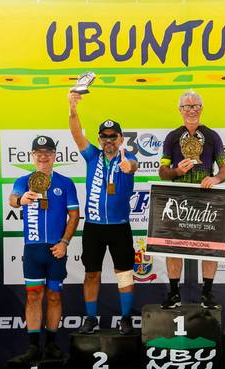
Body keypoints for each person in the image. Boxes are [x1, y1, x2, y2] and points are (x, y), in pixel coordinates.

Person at [68, 91, 138, 335]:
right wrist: (73, 110)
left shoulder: (128, 157)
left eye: (113, 136)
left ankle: (126, 318)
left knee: (124, 274)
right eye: (104, 136)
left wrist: (128, 166)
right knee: (91, 273)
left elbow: (133, 166)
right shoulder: (92, 156)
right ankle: (90, 318)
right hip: (94, 227)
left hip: (120, 226)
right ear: (99, 138)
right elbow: (77, 135)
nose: (109, 140)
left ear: (121, 139)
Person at [8, 135, 79, 364]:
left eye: (47, 152)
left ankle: (50, 344)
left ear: (55, 156)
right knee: (33, 295)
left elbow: (74, 215)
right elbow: (12, 199)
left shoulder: (65, 183)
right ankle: (33, 346)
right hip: (33, 250)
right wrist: (21, 200)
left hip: (56, 250)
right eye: (38, 152)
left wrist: (64, 242)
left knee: (54, 296)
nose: (43, 156)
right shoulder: (24, 180)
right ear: (32, 156)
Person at [158, 90, 225, 309]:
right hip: (178, 200)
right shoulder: (172, 137)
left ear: (201, 108)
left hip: (205, 199)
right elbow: (162, 172)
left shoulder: (212, 136)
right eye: (187, 106)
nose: (192, 110)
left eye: (195, 106)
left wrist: (216, 178)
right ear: (180, 110)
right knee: (173, 247)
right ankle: (174, 293)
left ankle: (207, 294)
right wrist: (177, 171)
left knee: (210, 247)